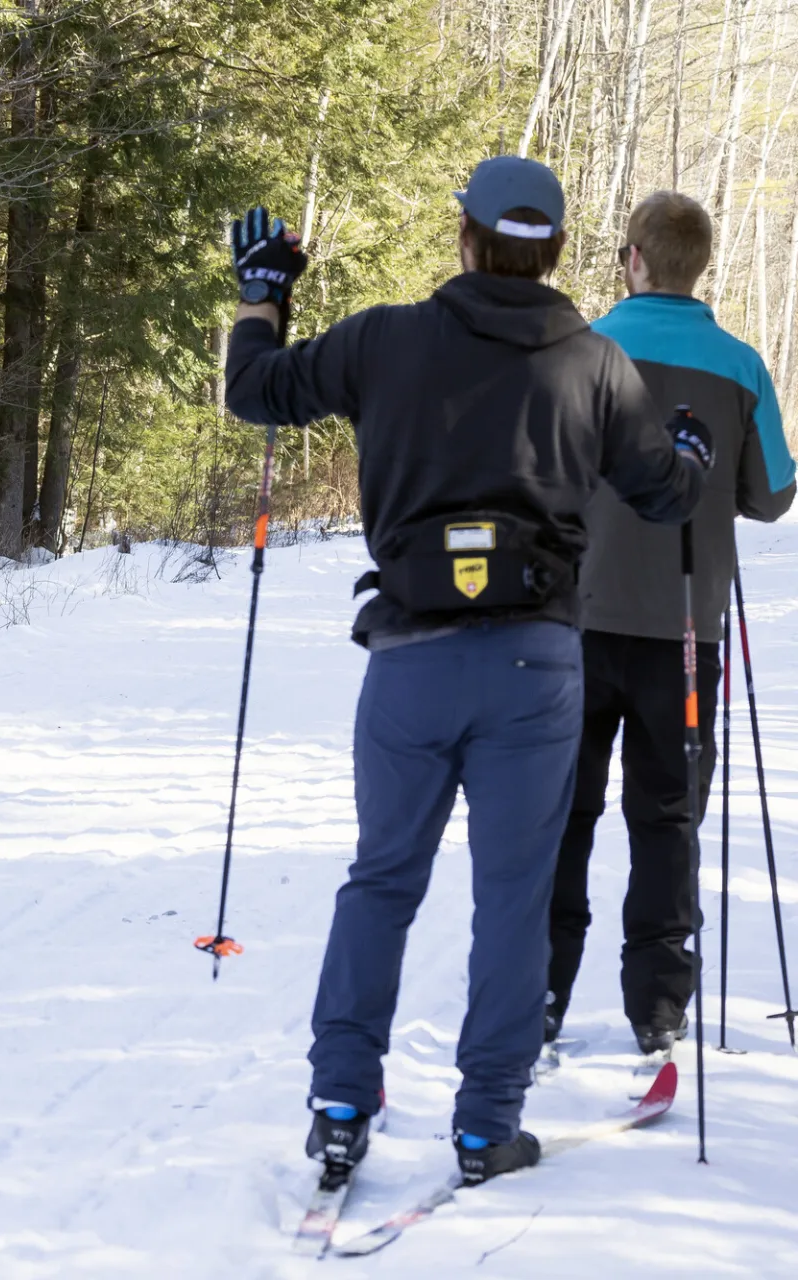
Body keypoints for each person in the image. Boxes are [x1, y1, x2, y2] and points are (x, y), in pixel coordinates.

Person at [223, 156, 707, 1186]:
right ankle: (487, 1123)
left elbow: (258, 392)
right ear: (560, 252)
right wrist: (694, 453)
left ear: (467, 241)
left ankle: (343, 1098)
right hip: (535, 664)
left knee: (382, 879)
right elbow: (665, 496)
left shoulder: (384, 339)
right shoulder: (595, 364)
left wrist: (263, 298)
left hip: (410, 653)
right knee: (514, 895)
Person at [546, 192, 796, 1054]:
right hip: (686, 634)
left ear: (634, 259)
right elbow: (772, 495)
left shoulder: (581, 350)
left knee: (561, 811)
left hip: (574, 622)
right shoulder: (741, 366)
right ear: (701, 266)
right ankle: (657, 1006)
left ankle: (539, 993)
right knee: (667, 819)